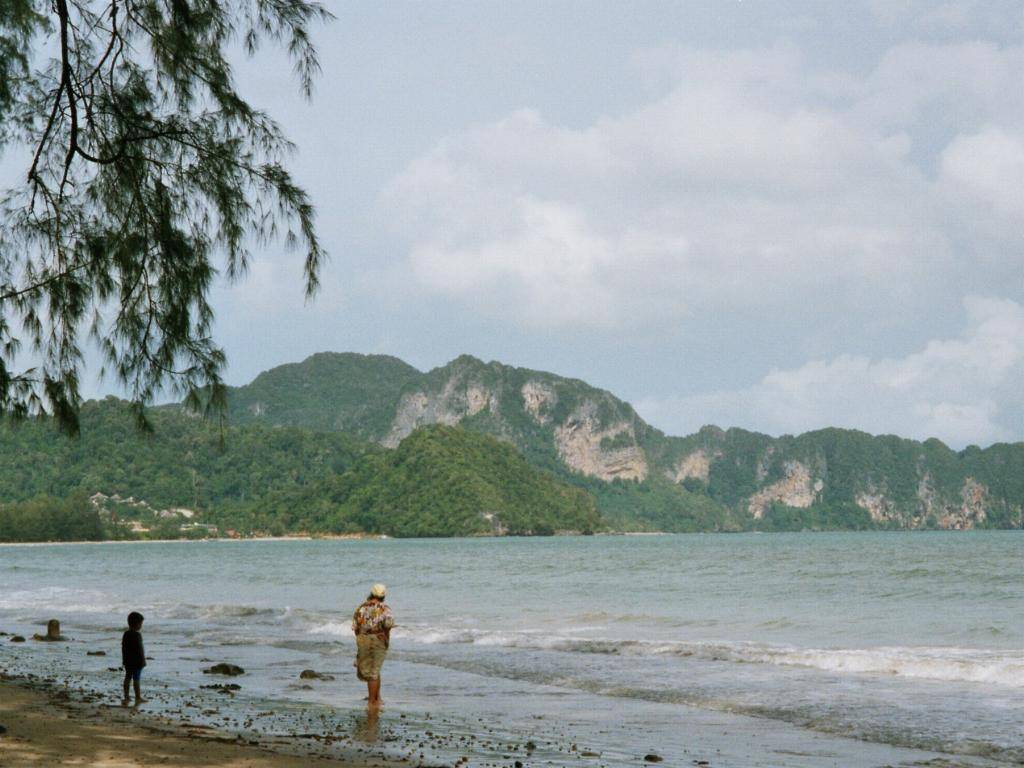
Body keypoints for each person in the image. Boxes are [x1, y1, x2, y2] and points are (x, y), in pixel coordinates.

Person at [351, 583, 394, 707]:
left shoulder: (360, 608)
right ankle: (372, 701)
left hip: (363, 638)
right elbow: (388, 626)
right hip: (378, 638)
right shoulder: (385, 609)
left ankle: (377, 698)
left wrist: (360, 640)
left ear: (371, 593)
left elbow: (355, 627)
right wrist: (386, 640)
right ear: (383, 596)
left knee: (373, 671)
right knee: (374, 672)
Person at [121, 611, 146, 705]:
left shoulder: (126, 634)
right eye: (141, 624)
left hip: (128, 661)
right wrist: (143, 661)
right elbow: (140, 649)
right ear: (137, 624)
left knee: (127, 677)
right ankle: (138, 697)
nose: (141, 626)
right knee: (136, 679)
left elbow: (123, 647)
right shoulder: (137, 635)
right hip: (137, 662)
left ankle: (126, 696)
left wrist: (124, 660)